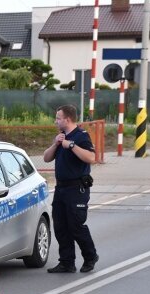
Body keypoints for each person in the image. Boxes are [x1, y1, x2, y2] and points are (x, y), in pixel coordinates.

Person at [42, 104, 99, 273]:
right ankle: (67, 262)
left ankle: (90, 256)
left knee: (76, 225)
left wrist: (71, 145)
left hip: (76, 189)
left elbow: (91, 157)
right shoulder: (61, 137)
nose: (56, 121)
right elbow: (46, 158)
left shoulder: (81, 136)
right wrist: (56, 144)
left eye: (58, 118)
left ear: (67, 119)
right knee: (60, 226)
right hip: (61, 189)